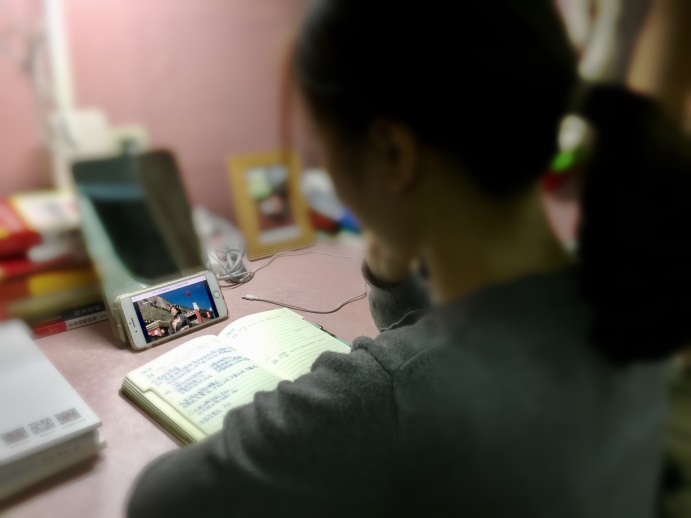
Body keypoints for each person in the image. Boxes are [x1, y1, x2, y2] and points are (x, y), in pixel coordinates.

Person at [127, 1, 691, 516]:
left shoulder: (386, 396)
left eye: (323, 146)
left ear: (394, 152)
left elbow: (160, 501)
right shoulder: (631, 290)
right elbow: (447, 343)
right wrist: (392, 266)